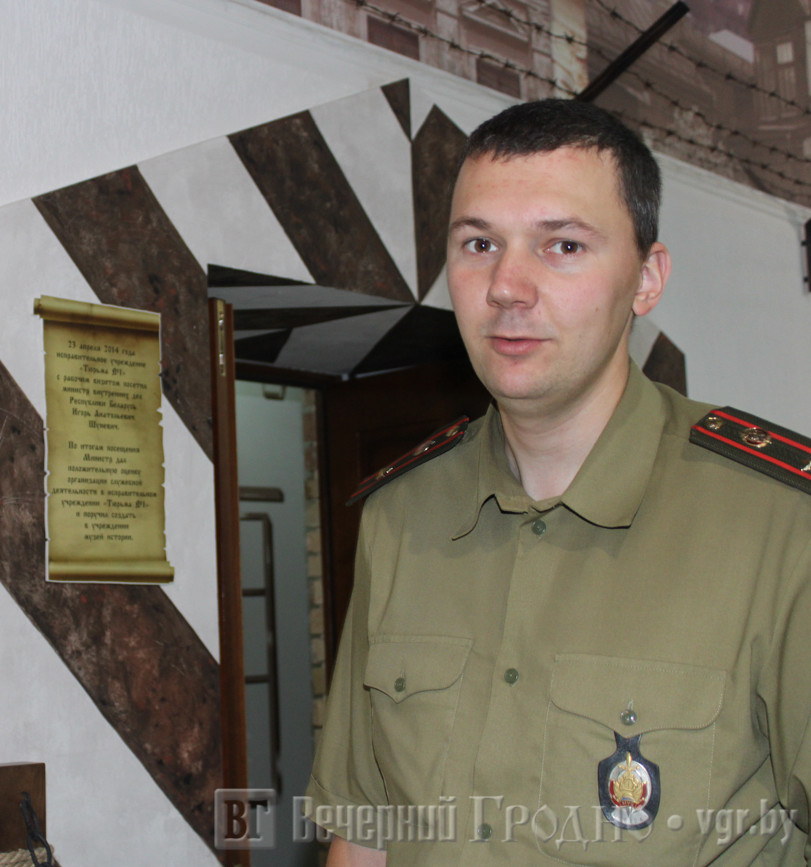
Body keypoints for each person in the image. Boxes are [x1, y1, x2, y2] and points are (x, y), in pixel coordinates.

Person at [307, 98, 811, 865]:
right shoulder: (400, 516)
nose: (507, 285)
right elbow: (369, 830)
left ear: (646, 278)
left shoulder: (778, 524)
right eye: (479, 243)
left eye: (563, 245)